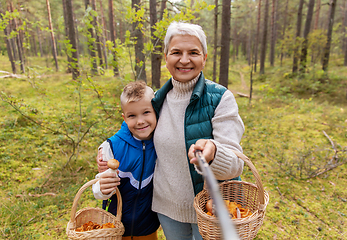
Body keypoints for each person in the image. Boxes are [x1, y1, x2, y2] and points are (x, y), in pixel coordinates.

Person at [97, 21, 245, 240]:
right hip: (167, 210)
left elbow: (235, 164)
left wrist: (214, 151)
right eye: (176, 52)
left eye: (193, 52)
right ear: (166, 57)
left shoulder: (221, 99)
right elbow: (135, 126)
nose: (184, 60)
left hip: (210, 209)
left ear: (204, 57)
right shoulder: (157, 99)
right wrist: (106, 148)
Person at [93, 80, 159, 240]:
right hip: (116, 226)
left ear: (156, 110)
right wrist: (101, 189)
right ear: (124, 117)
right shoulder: (112, 147)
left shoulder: (161, 140)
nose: (140, 121)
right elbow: (100, 187)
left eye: (146, 112)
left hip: (148, 225)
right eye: (132, 116)